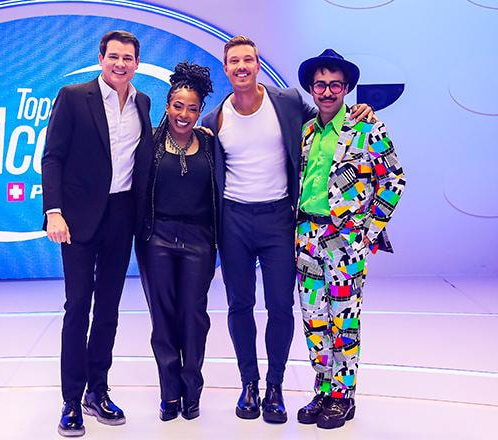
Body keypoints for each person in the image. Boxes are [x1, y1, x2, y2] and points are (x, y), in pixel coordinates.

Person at [202, 36, 374, 424]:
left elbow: (332, 118)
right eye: (234, 61)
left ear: (258, 64)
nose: (242, 66)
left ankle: (276, 387)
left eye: (249, 59)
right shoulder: (214, 120)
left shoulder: (288, 102)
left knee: (281, 306)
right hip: (234, 222)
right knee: (239, 305)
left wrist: (359, 109)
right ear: (226, 68)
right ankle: (250, 384)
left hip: (280, 219)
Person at [41, 30, 153, 437]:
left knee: (108, 310)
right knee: (78, 308)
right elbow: (52, 156)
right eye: (113, 56)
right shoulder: (74, 96)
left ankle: (97, 391)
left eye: (128, 58)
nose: (120, 64)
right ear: (101, 58)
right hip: (77, 218)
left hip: (122, 216)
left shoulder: (142, 101)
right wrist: (53, 212)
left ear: (137, 63)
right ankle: (71, 401)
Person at [294, 49, 405, 429]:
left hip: (345, 241)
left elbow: (393, 180)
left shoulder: (367, 128)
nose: (327, 92)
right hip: (307, 235)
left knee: (344, 322)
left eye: (335, 85)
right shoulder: (308, 131)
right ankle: (323, 390)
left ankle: (343, 397)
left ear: (346, 89)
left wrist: (368, 231)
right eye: (321, 84)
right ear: (311, 88)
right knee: (314, 321)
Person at [135, 62, 216, 422]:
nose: (184, 114)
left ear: (200, 112)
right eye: (178, 106)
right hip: (157, 238)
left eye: (192, 108)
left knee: (193, 317)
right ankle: (170, 393)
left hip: (200, 239)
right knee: (163, 319)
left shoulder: (212, 144)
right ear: (167, 106)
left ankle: (191, 390)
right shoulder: (148, 142)